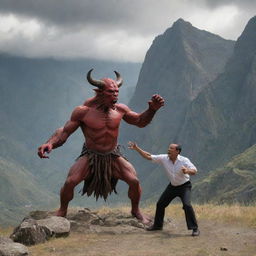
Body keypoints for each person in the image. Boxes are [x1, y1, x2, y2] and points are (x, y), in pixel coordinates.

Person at [37, 69, 164, 224]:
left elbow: (140, 121)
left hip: (112, 155)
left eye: (117, 92)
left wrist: (152, 110)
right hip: (91, 155)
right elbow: (64, 132)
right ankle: (62, 210)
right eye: (111, 92)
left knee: (134, 181)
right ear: (100, 92)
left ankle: (136, 210)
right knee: (71, 182)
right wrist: (50, 143)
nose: (115, 95)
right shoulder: (83, 111)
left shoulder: (120, 109)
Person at [128, 142, 200, 236]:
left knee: (187, 205)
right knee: (160, 204)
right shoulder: (164, 158)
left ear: (177, 151)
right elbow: (149, 156)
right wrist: (137, 148)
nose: (168, 150)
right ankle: (158, 226)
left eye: (171, 148)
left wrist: (187, 171)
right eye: (169, 148)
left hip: (184, 186)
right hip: (172, 186)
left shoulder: (184, 160)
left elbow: (194, 171)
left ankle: (195, 229)